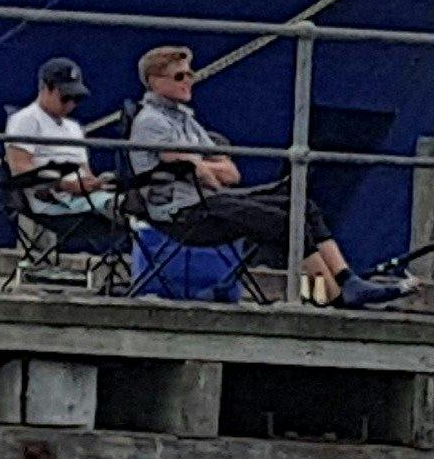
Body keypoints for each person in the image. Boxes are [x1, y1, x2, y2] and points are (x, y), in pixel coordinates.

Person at [124, 43, 352, 299]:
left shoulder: (186, 120)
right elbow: (193, 168)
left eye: (190, 74)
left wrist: (202, 167)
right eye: (179, 76)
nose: (187, 81)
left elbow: (230, 174)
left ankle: (348, 280)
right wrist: (203, 169)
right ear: (154, 81)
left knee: (301, 206)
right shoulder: (151, 122)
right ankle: (334, 297)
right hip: (179, 212)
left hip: (205, 200)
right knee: (280, 221)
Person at [1, 55, 123, 271]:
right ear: (46, 89)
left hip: (82, 197)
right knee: (127, 209)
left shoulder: (74, 128)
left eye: (76, 99)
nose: (71, 105)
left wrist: (97, 183)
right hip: (48, 198)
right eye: (65, 98)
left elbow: (86, 172)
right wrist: (65, 185)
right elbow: (20, 168)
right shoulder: (26, 120)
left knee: (132, 200)